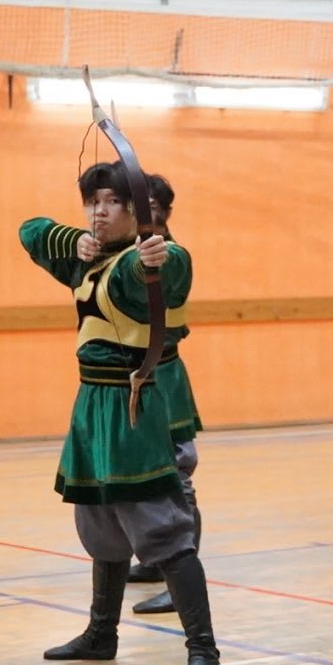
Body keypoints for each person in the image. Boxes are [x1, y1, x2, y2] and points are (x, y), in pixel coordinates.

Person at [23, 163, 222, 665]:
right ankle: (101, 633)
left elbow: (171, 266)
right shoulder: (86, 260)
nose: (99, 211)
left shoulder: (143, 260)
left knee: (162, 528)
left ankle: (203, 651)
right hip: (90, 405)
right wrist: (73, 240)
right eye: (93, 202)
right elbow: (29, 231)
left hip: (131, 407)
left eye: (112, 202)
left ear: (136, 211)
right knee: (101, 524)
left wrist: (157, 252)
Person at [128, 174, 198, 617]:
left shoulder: (171, 255)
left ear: (165, 212)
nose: (144, 211)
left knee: (178, 474)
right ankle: (156, 561)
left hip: (165, 372)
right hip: (141, 373)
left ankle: (181, 580)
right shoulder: (131, 251)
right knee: (149, 475)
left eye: (151, 205)